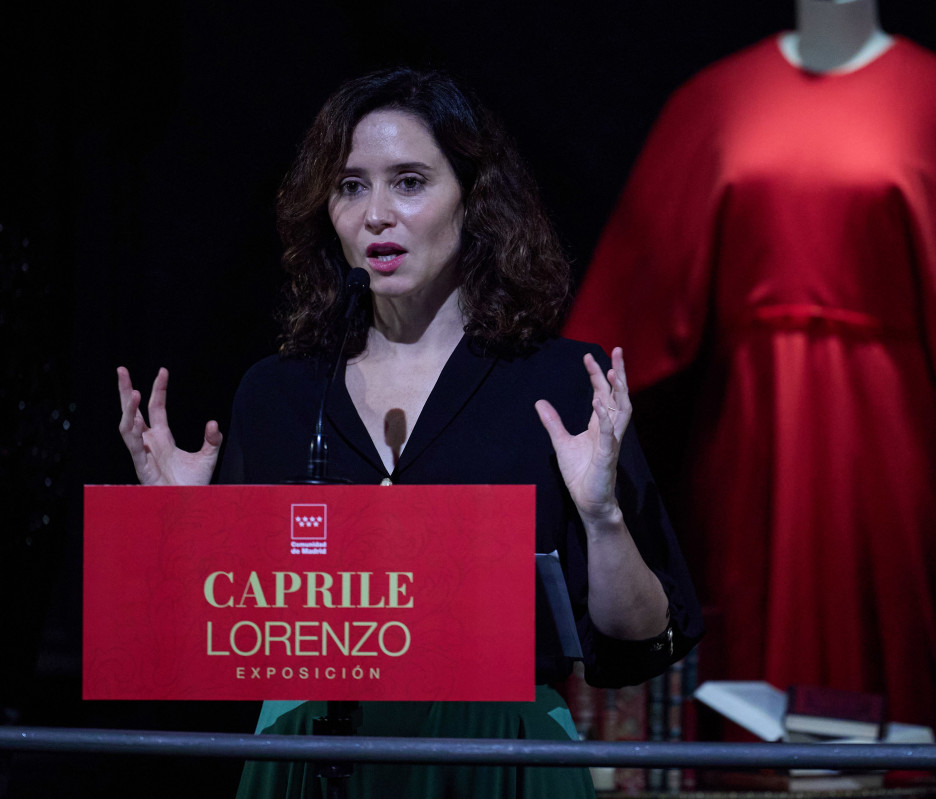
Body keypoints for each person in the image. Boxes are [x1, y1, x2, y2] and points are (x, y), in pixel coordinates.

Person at [117, 66, 703, 798]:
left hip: (494, 754)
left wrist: (603, 516)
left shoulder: (557, 385)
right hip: (307, 748)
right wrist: (180, 533)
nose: (376, 215)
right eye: (350, 185)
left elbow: (640, 639)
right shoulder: (281, 392)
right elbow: (221, 648)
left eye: (410, 181)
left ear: (473, 200)